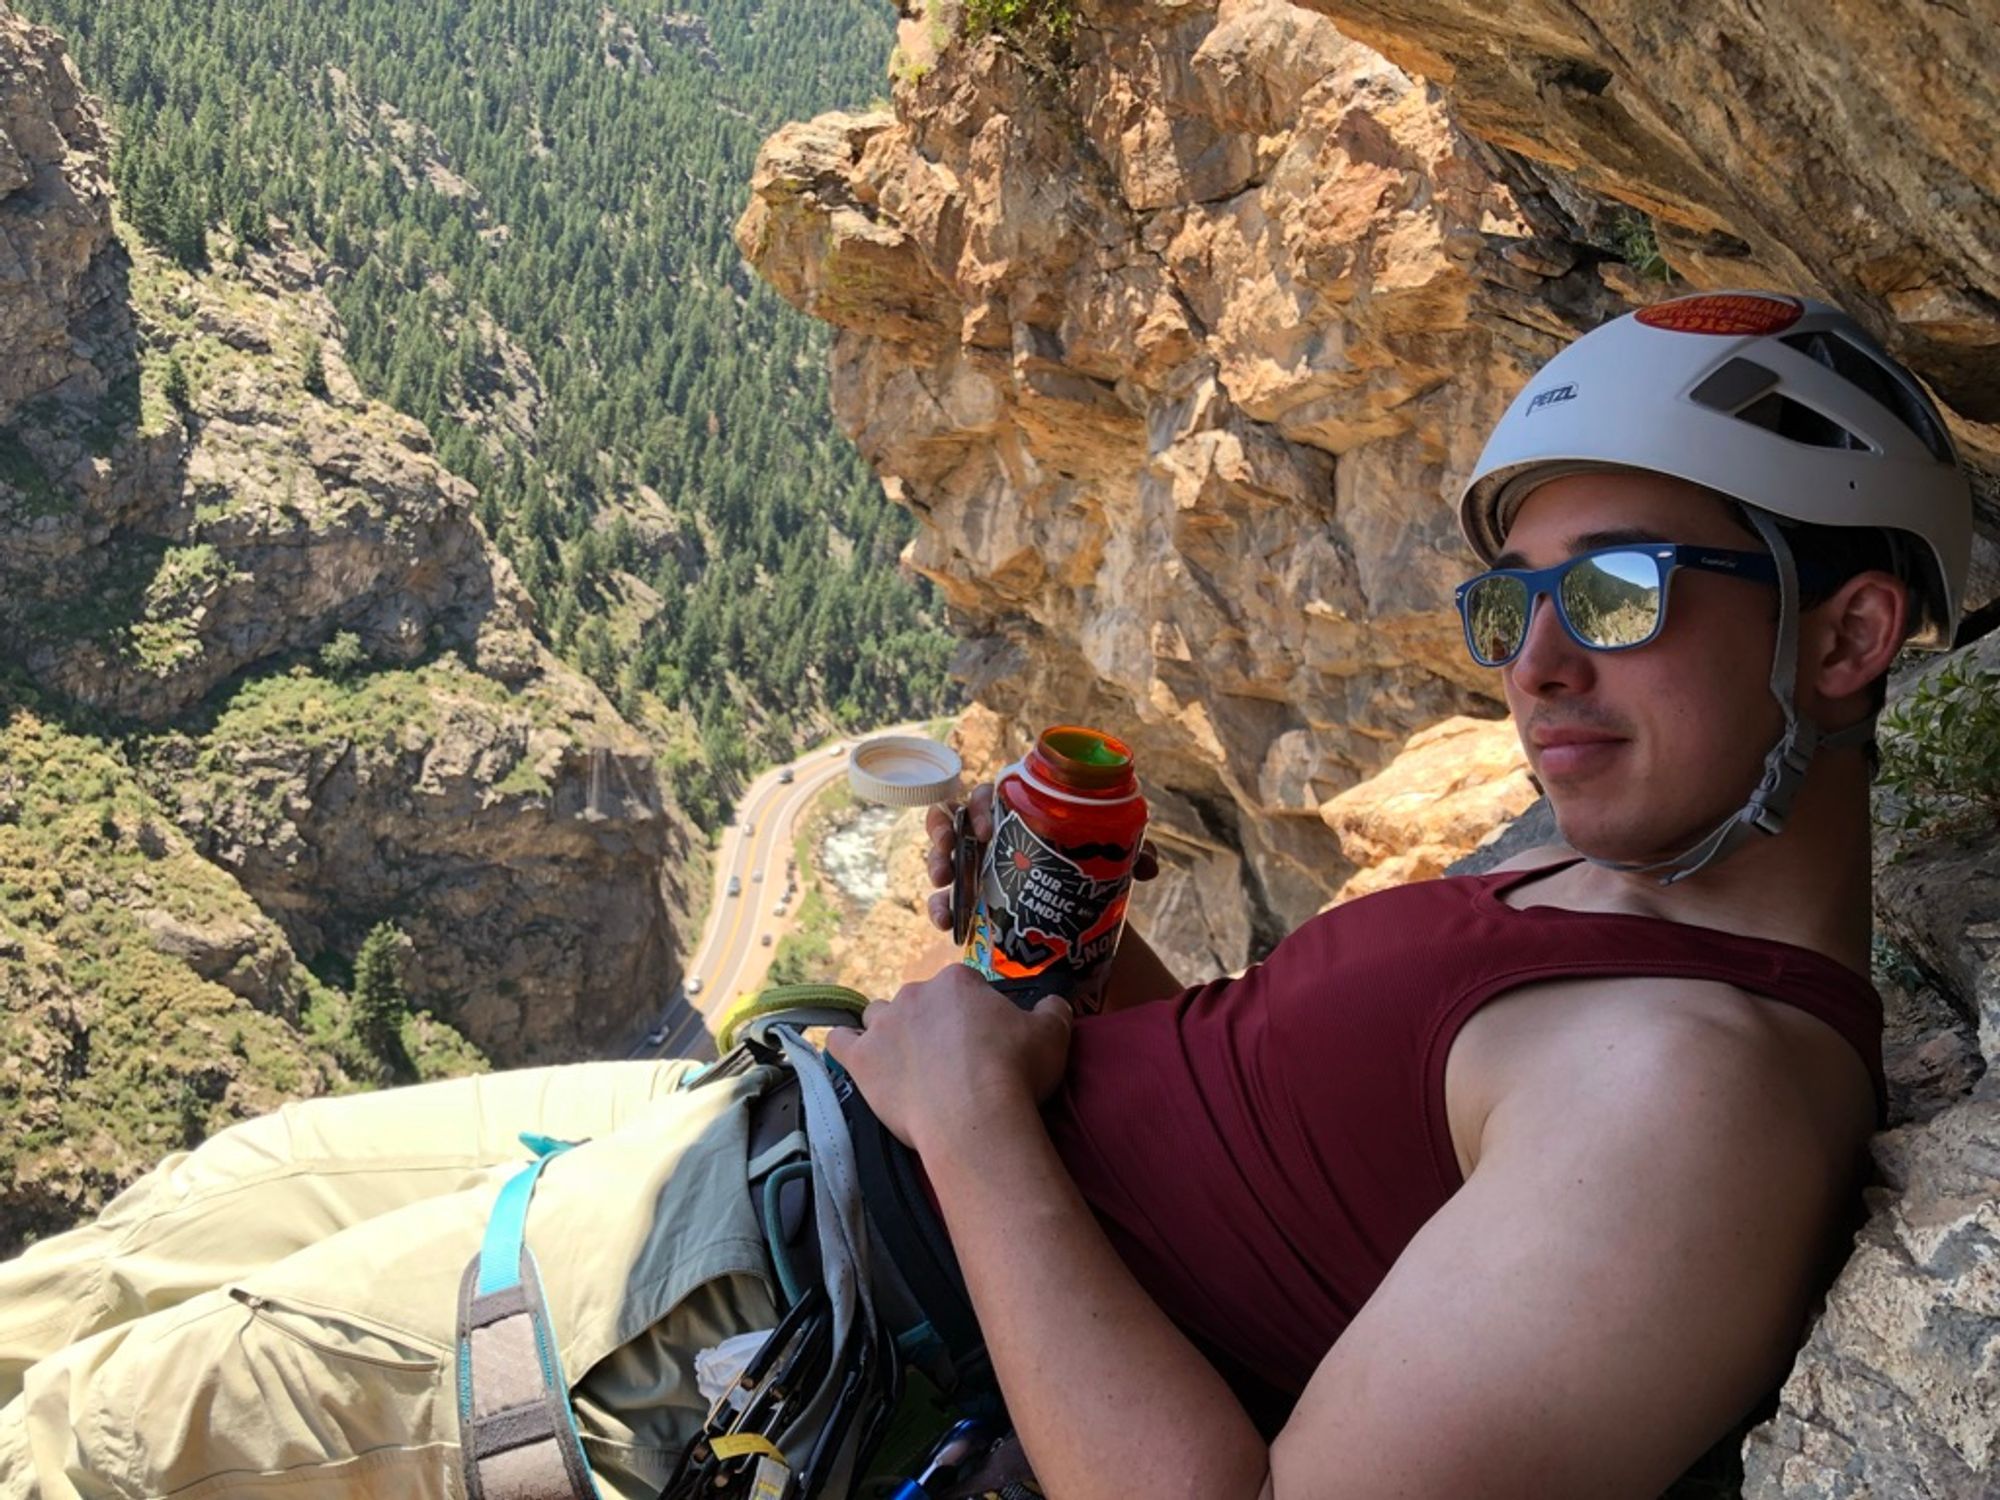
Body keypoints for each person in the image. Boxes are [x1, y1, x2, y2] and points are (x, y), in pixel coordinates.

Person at [0, 291, 1973, 1500]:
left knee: (88, 1441)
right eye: (1510, 602)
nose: (1534, 669)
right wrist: (1086, 965)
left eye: (1615, 597)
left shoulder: (1699, 1099)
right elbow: (1263, 1177)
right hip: (779, 1145)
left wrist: (968, 1124)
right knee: (139, 1248)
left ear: (1846, 635)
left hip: (735, 1316)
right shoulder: (1603, 871)